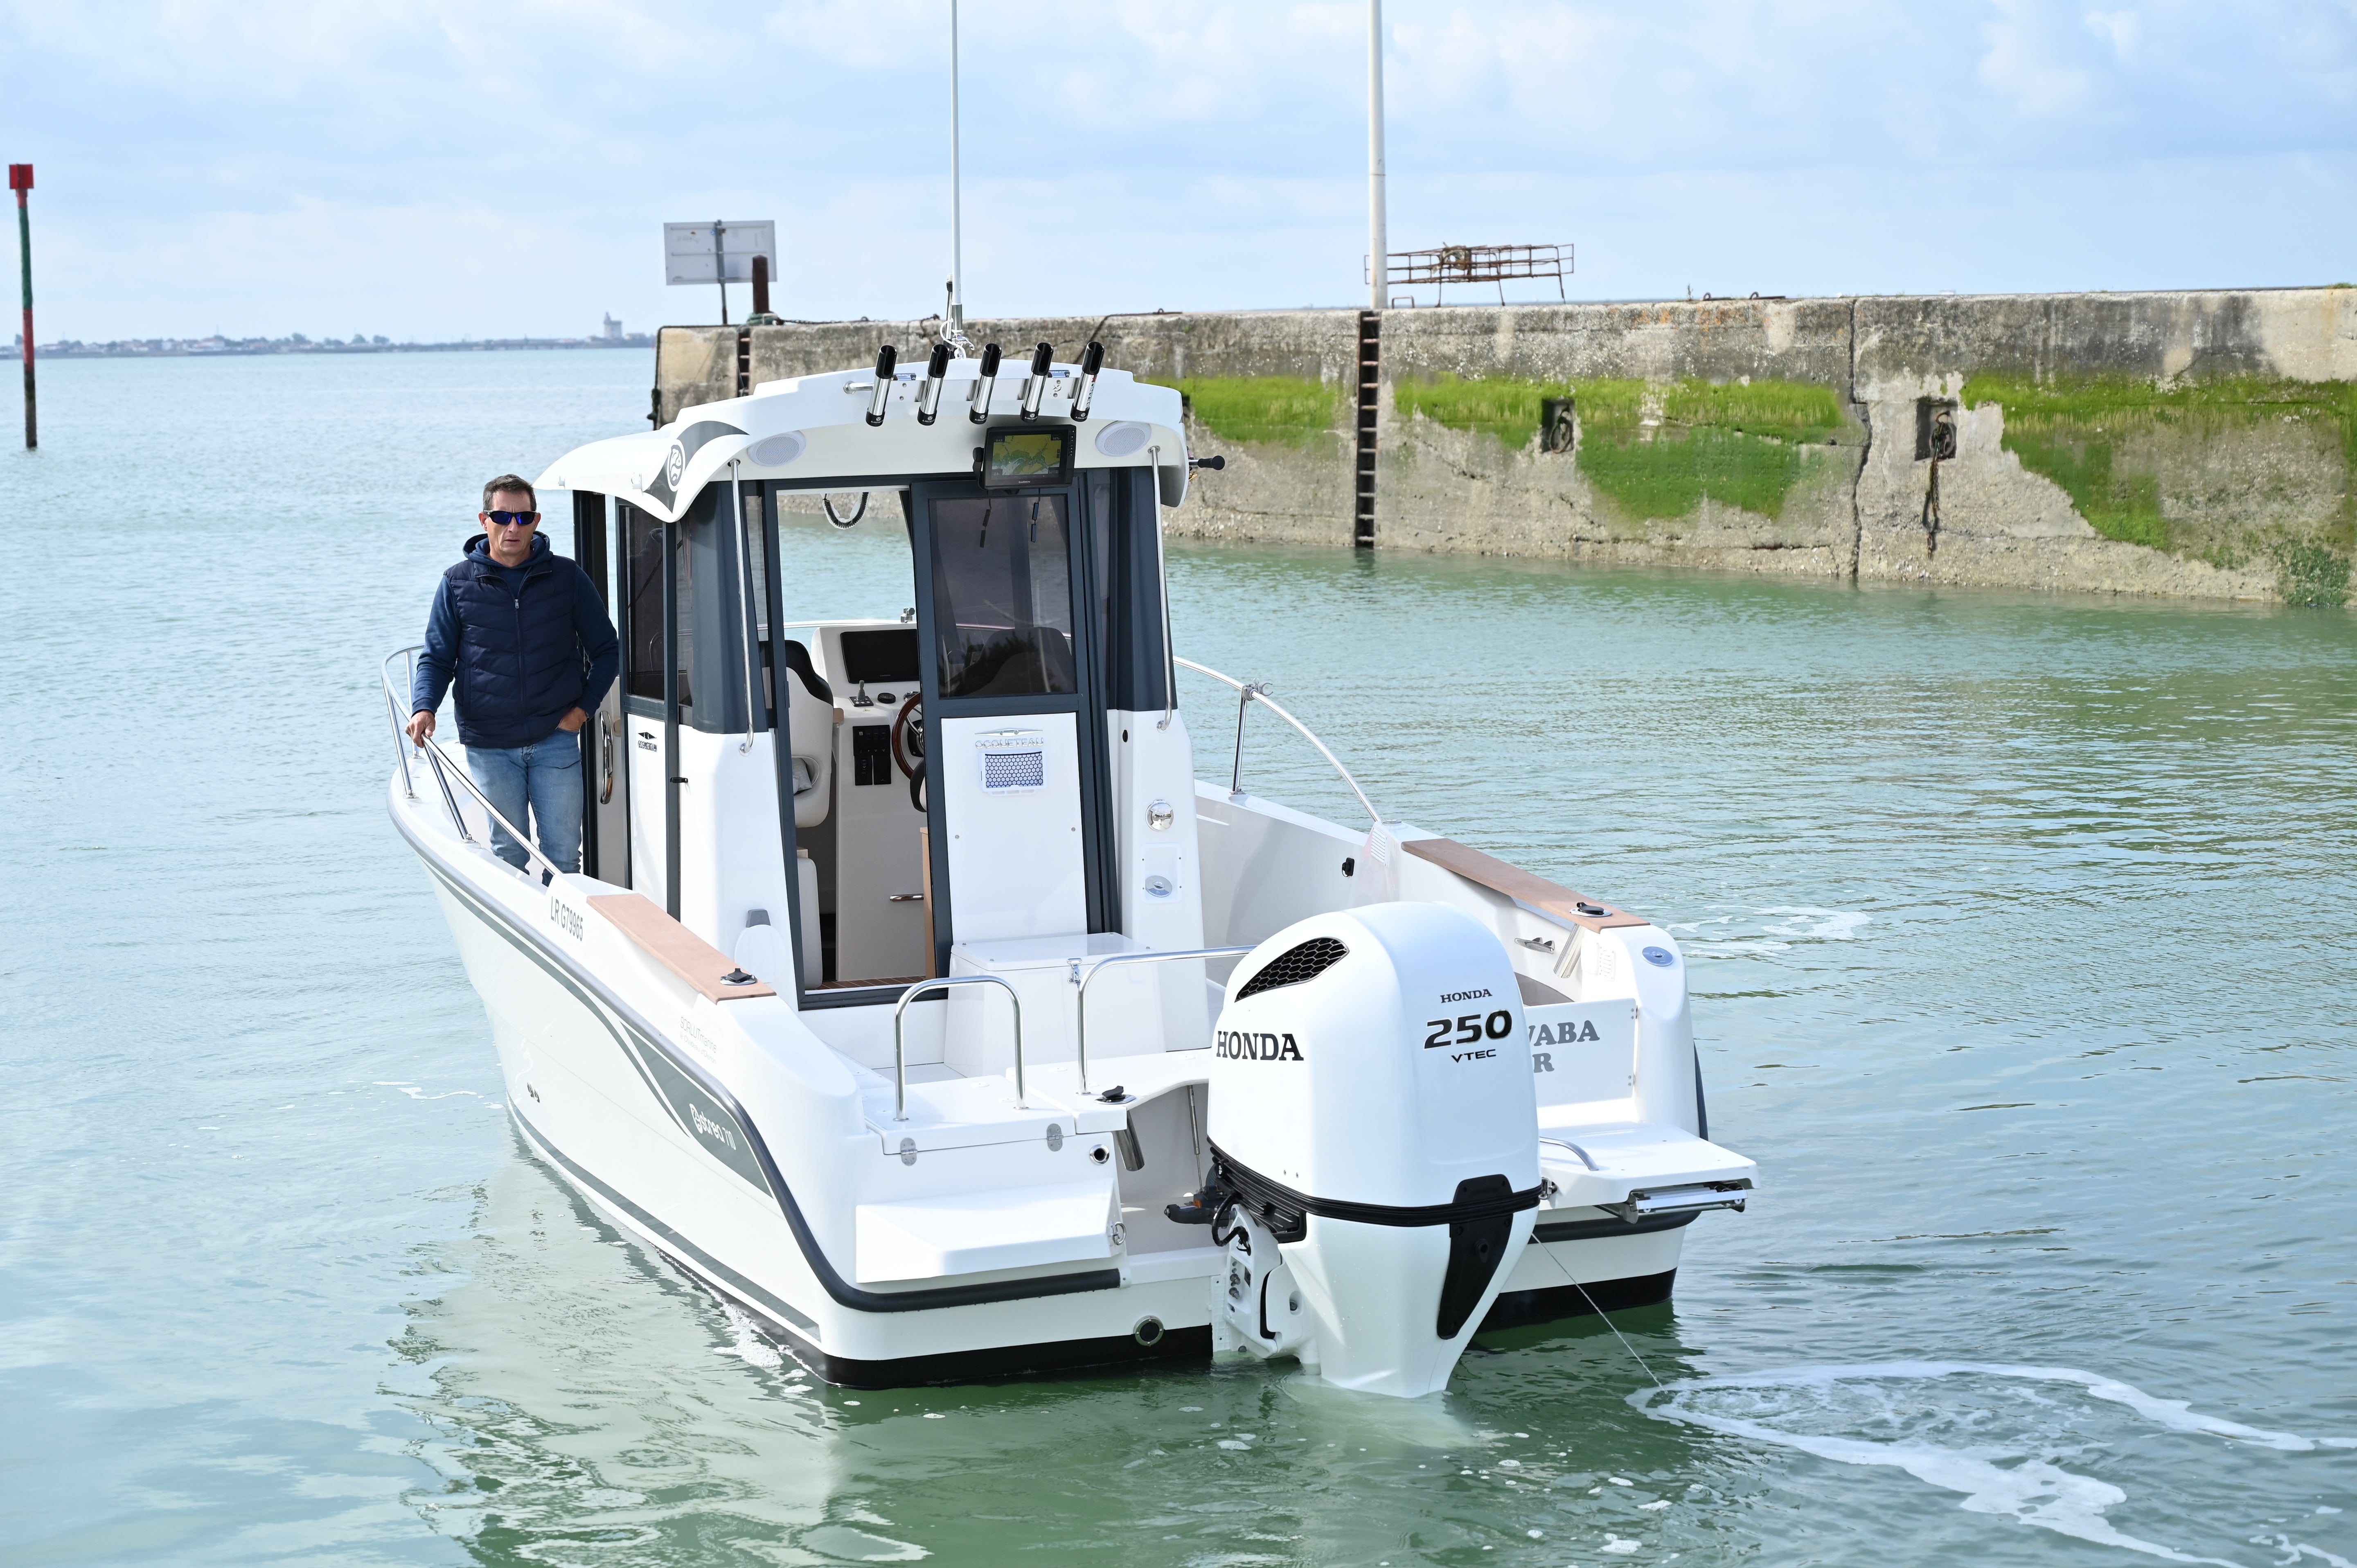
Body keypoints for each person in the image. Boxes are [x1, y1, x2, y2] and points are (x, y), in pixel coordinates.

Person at [409, 475, 619, 876]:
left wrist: (582, 712)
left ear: (536, 521)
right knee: (509, 854)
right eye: (502, 516)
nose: (513, 527)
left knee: (563, 858)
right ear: (484, 520)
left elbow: (608, 651)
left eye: (523, 517)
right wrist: (425, 708)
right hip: (490, 745)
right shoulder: (456, 583)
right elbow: (437, 659)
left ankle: (559, 919)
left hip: (555, 738)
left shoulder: (567, 577)